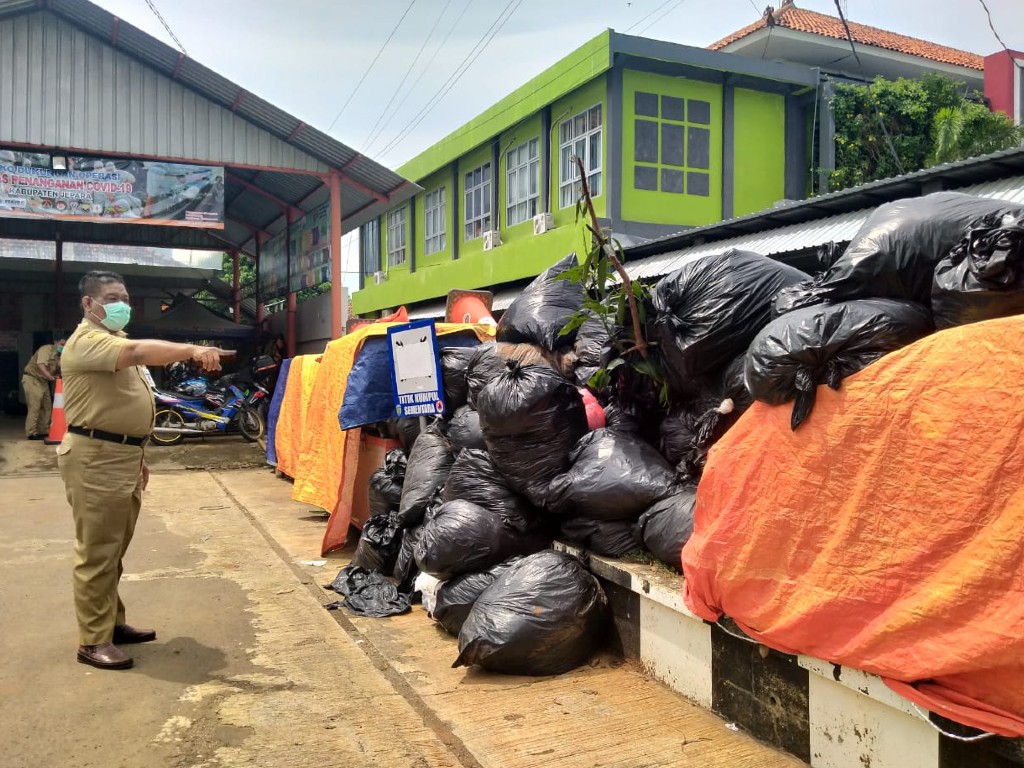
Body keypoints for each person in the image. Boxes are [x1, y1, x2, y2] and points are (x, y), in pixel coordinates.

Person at [58, 270, 232, 671]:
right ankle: (92, 640)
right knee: (97, 552)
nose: (124, 305)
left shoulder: (113, 340)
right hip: (96, 457)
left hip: (121, 455)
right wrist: (190, 349)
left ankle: (110, 624)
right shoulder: (88, 341)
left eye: (126, 297)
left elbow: (124, 401)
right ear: (89, 304)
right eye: (114, 297)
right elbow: (138, 353)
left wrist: (139, 455)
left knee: (113, 551)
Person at [22, 335, 66, 439]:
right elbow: (40, 364)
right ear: (55, 342)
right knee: (35, 406)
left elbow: (59, 370)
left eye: (65, 345)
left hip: (43, 382)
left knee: (47, 406)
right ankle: (31, 433)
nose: (63, 347)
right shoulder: (46, 349)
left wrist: (54, 376)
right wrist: (50, 376)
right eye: (62, 344)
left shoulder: (59, 356)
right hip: (32, 379)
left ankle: (43, 431)